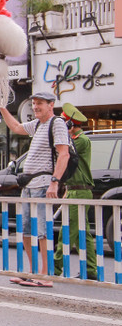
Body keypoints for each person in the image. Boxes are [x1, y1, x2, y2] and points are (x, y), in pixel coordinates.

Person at [0, 91, 70, 288]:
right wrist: (2, 107)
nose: (35, 107)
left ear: (51, 105)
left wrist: (54, 182)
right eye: (34, 103)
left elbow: (64, 154)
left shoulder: (57, 123)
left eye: (40, 103)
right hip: (29, 186)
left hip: (43, 184)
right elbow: (16, 127)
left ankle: (46, 275)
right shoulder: (38, 124)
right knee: (27, 231)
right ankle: (34, 272)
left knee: (43, 231)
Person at [54, 103, 98, 280]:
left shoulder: (80, 141)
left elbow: (63, 152)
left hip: (79, 191)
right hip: (74, 190)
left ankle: (54, 269)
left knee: (67, 231)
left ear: (70, 125)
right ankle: (91, 269)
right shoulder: (76, 140)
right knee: (82, 234)